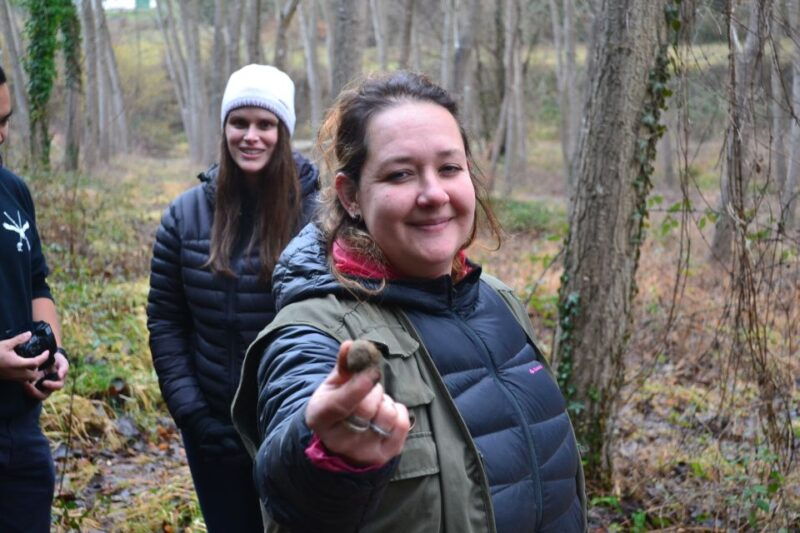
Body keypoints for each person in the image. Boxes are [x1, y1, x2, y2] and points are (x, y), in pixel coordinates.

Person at [232, 71, 586, 532]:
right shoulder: (313, 332)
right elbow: (291, 489)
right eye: (400, 173)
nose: (434, 194)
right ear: (351, 196)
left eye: (449, 168)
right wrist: (328, 454)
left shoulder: (498, 299)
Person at [147, 64, 319, 532]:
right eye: (238, 122)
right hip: (213, 434)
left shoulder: (321, 216)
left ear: (284, 132)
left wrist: (315, 421)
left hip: (301, 428)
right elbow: (166, 321)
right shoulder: (184, 216)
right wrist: (194, 416)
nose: (251, 136)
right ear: (224, 128)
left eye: (266, 124)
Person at [0, 64, 69, 532]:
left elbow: (37, 285)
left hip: (20, 431)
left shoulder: (13, 190)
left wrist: (52, 352)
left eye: (3, 121)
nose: (0, 136)